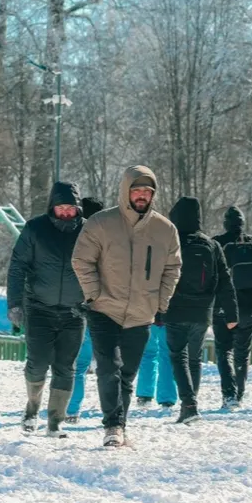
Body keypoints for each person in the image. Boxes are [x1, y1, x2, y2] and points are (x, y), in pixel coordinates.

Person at [71, 166, 181, 448]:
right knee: (109, 368)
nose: (142, 195)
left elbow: (172, 268)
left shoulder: (165, 229)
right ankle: (113, 427)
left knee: (128, 374)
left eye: (147, 191)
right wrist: (93, 295)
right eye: (137, 190)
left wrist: (161, 302)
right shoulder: (100, 223)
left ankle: (120, 423)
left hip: (141, 313)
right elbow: (81, 260)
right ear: (126, 191)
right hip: (103, 309)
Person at [7, 181, 87, 437]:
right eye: (61, 207)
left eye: (71, 208)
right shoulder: (35, 229)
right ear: (52, 207)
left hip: (74, 312)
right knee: (38, 363)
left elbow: (103, 267)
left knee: (66, 367)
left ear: (78, 209)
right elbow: (17, 266)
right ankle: (32, 409)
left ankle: (55, 421)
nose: (66, 212)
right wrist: (15, 303)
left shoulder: (88, 232)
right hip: (39, 308)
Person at [160, 197, 238, 423]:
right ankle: (192, 402)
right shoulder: (212, 245)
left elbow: (156, 276)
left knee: (178, 356)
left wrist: (153, 309)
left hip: (175, 308)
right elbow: (225, 281)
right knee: (194, 358)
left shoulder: (170, 243)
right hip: (203, 310)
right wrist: (232, 314)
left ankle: (189, 404)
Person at [212, 206, 252, 409]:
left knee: (224, 350)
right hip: (250, 308)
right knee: (242, 352)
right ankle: (239, 393)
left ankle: (229, 395)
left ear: (225, 223)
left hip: (223, 307)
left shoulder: (217, 243)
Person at [66, 197, 105, 423]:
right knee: (110, 365)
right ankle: (114, 409)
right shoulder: (110, 240)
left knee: (77, 365)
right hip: (104, 308)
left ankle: (72, 409)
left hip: (78, 306)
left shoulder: (75, 239)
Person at [134, 324, 177, 409]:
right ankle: (167, 398)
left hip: (150, 318)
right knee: (166, 356)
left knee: (148, 354)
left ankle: (145, 395)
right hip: (167, 319)